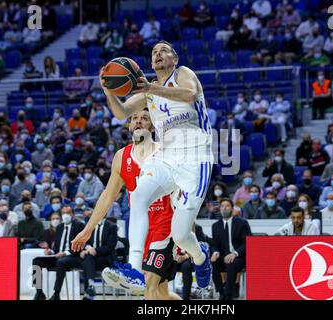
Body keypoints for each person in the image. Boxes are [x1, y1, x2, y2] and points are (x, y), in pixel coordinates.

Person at [78, 40, 213, 289]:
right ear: (150, 63)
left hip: (196, 157)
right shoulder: (148, 92)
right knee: (137, 195)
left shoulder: (183, 74)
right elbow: (121, 113)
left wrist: (151, 88)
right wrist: (108, 90)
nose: (158, 54)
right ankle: (133, 267)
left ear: (174, 59)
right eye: (153, 52)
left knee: (182, 236)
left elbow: (189, 95)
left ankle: (201, 256)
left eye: (163, 51)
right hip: (167, 157)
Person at [72, 110, 180, 298]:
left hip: (166, 225)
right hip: (141, 230)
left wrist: (187, 231)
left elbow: (183, 193)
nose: (139, 122)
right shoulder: (122, 157)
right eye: (135, 119)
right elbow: (107, 196)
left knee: (147, 283)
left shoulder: (164, 152)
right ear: (129, 126)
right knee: (162, 292)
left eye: (144, 118)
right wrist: (88, 229)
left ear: (152, 126)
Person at [32, 205, 84, 300]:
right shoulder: (59, 227)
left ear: (73, 214)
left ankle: (56, 294)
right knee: (36, 261)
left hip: (72, 256)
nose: (65, 215)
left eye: (68, 213)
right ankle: (39, 292)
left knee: (61, 262)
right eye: (63, 213)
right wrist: (50, 251)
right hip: (58, 256)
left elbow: (79, 247)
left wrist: (65, 253)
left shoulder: (79, 226)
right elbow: (56, 248)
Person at [211, 198, 251, 300]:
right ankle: (221, 292)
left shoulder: (242, 223)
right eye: (222, 206)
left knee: (231, 263)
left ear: (232, 209)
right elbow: (214, 244)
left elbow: (247, 243)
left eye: (227, 206)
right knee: (213, 263)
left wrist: (235, 253)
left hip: (239, 257)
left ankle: (228, 295)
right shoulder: (215, 226)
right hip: (223, 256)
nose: (224, 208)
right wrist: (215, 252)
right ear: (220, 209)